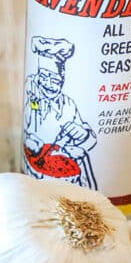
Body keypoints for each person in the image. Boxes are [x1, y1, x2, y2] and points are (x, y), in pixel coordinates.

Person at [22, 36, 97, 187]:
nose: (48, 84)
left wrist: (83, 134)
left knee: (82, 159)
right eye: (43, 77)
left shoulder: (68, 105)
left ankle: (95, 202)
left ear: (63, 79)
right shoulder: (32, 91)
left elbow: (90, 138)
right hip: (34, 164)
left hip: (60, 160)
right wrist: (32, 143)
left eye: (55, 80)